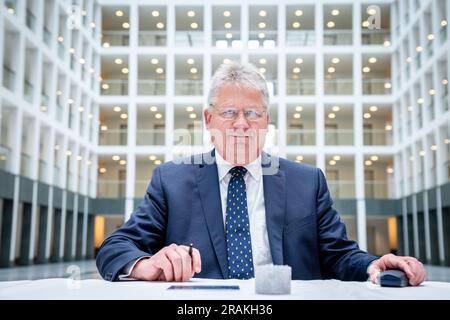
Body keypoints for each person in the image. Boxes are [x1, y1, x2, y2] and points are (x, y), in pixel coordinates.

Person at [96, 62, 426, 285]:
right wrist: (146, 264)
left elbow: (338, 255)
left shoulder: (307, 182)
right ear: (209, 120)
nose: (242, 124)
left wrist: (373, 265)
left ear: (266, 121)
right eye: (229, 113)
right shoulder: (171, 180)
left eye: (253, 113)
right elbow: (116, 247)